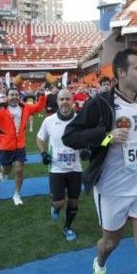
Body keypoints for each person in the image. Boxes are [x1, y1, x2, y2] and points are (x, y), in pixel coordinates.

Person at [62, 48, 137, 274]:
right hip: (112, 189)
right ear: (121, 72)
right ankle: (99, 265)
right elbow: (70, 136)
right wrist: (106, 136)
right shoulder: (101, 104)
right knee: (110, 242)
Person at [0, 87, 46, 205]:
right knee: (7, 170)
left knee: (19, 170)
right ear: (7, 97)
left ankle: (16, 194)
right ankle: (3, 172)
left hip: (20, 146)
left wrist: (42, 96)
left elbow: (39, 107)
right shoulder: (0, 109)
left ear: (19, 97)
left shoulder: (25, 107)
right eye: (11, 95)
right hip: (5, 146)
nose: (14, 97)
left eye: (16, 95)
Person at [37, 89, 83, 241]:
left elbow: (86, 140)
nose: (64, 102)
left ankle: (67, 227)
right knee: (59, 202)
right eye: (61, 99)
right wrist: (43, 153)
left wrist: (86, 150)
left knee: (74, 201)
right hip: (56, 168)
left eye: (67, 99)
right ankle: (55, 208)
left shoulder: (80, 120)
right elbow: (40, 138)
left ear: (72, 101)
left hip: (75, 168)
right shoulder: (49, 121)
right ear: (57, 101)